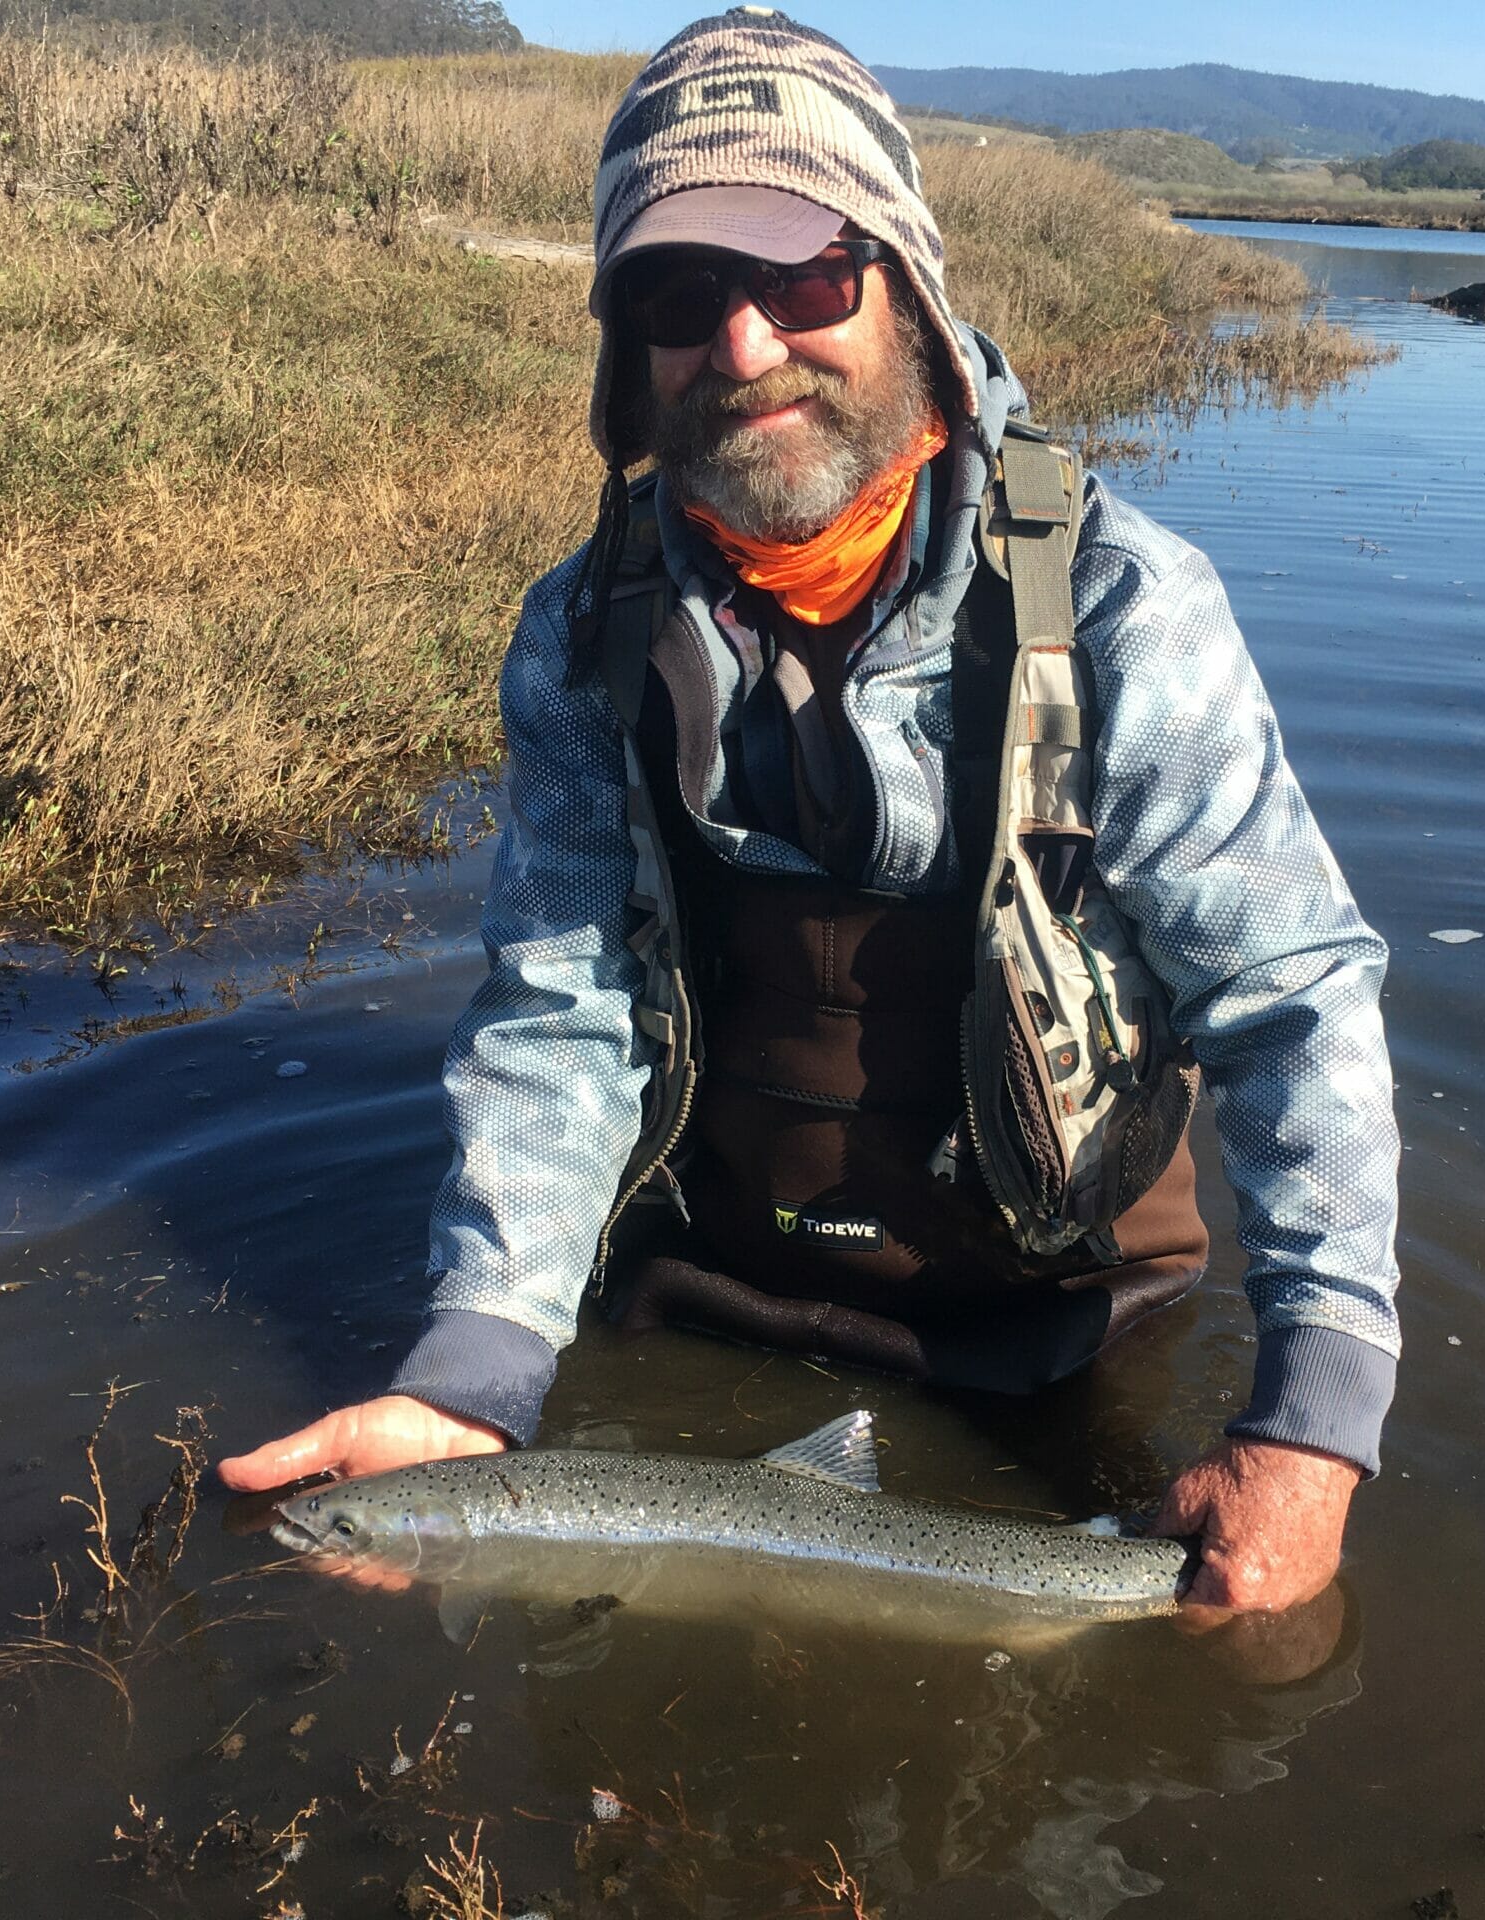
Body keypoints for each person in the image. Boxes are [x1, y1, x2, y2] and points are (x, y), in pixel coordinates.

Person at [219, 7, 1402, 1616]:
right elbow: (560, 1006)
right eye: (681, 297)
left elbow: (1290, 1001)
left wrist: (1311, 1421)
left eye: (805, 277)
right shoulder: (583, 635)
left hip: (1061, 1319)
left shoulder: (1125, 610)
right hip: (701, 1291)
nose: (747, 345)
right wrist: (476, 1373)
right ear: (626, 358)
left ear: (907, 284)